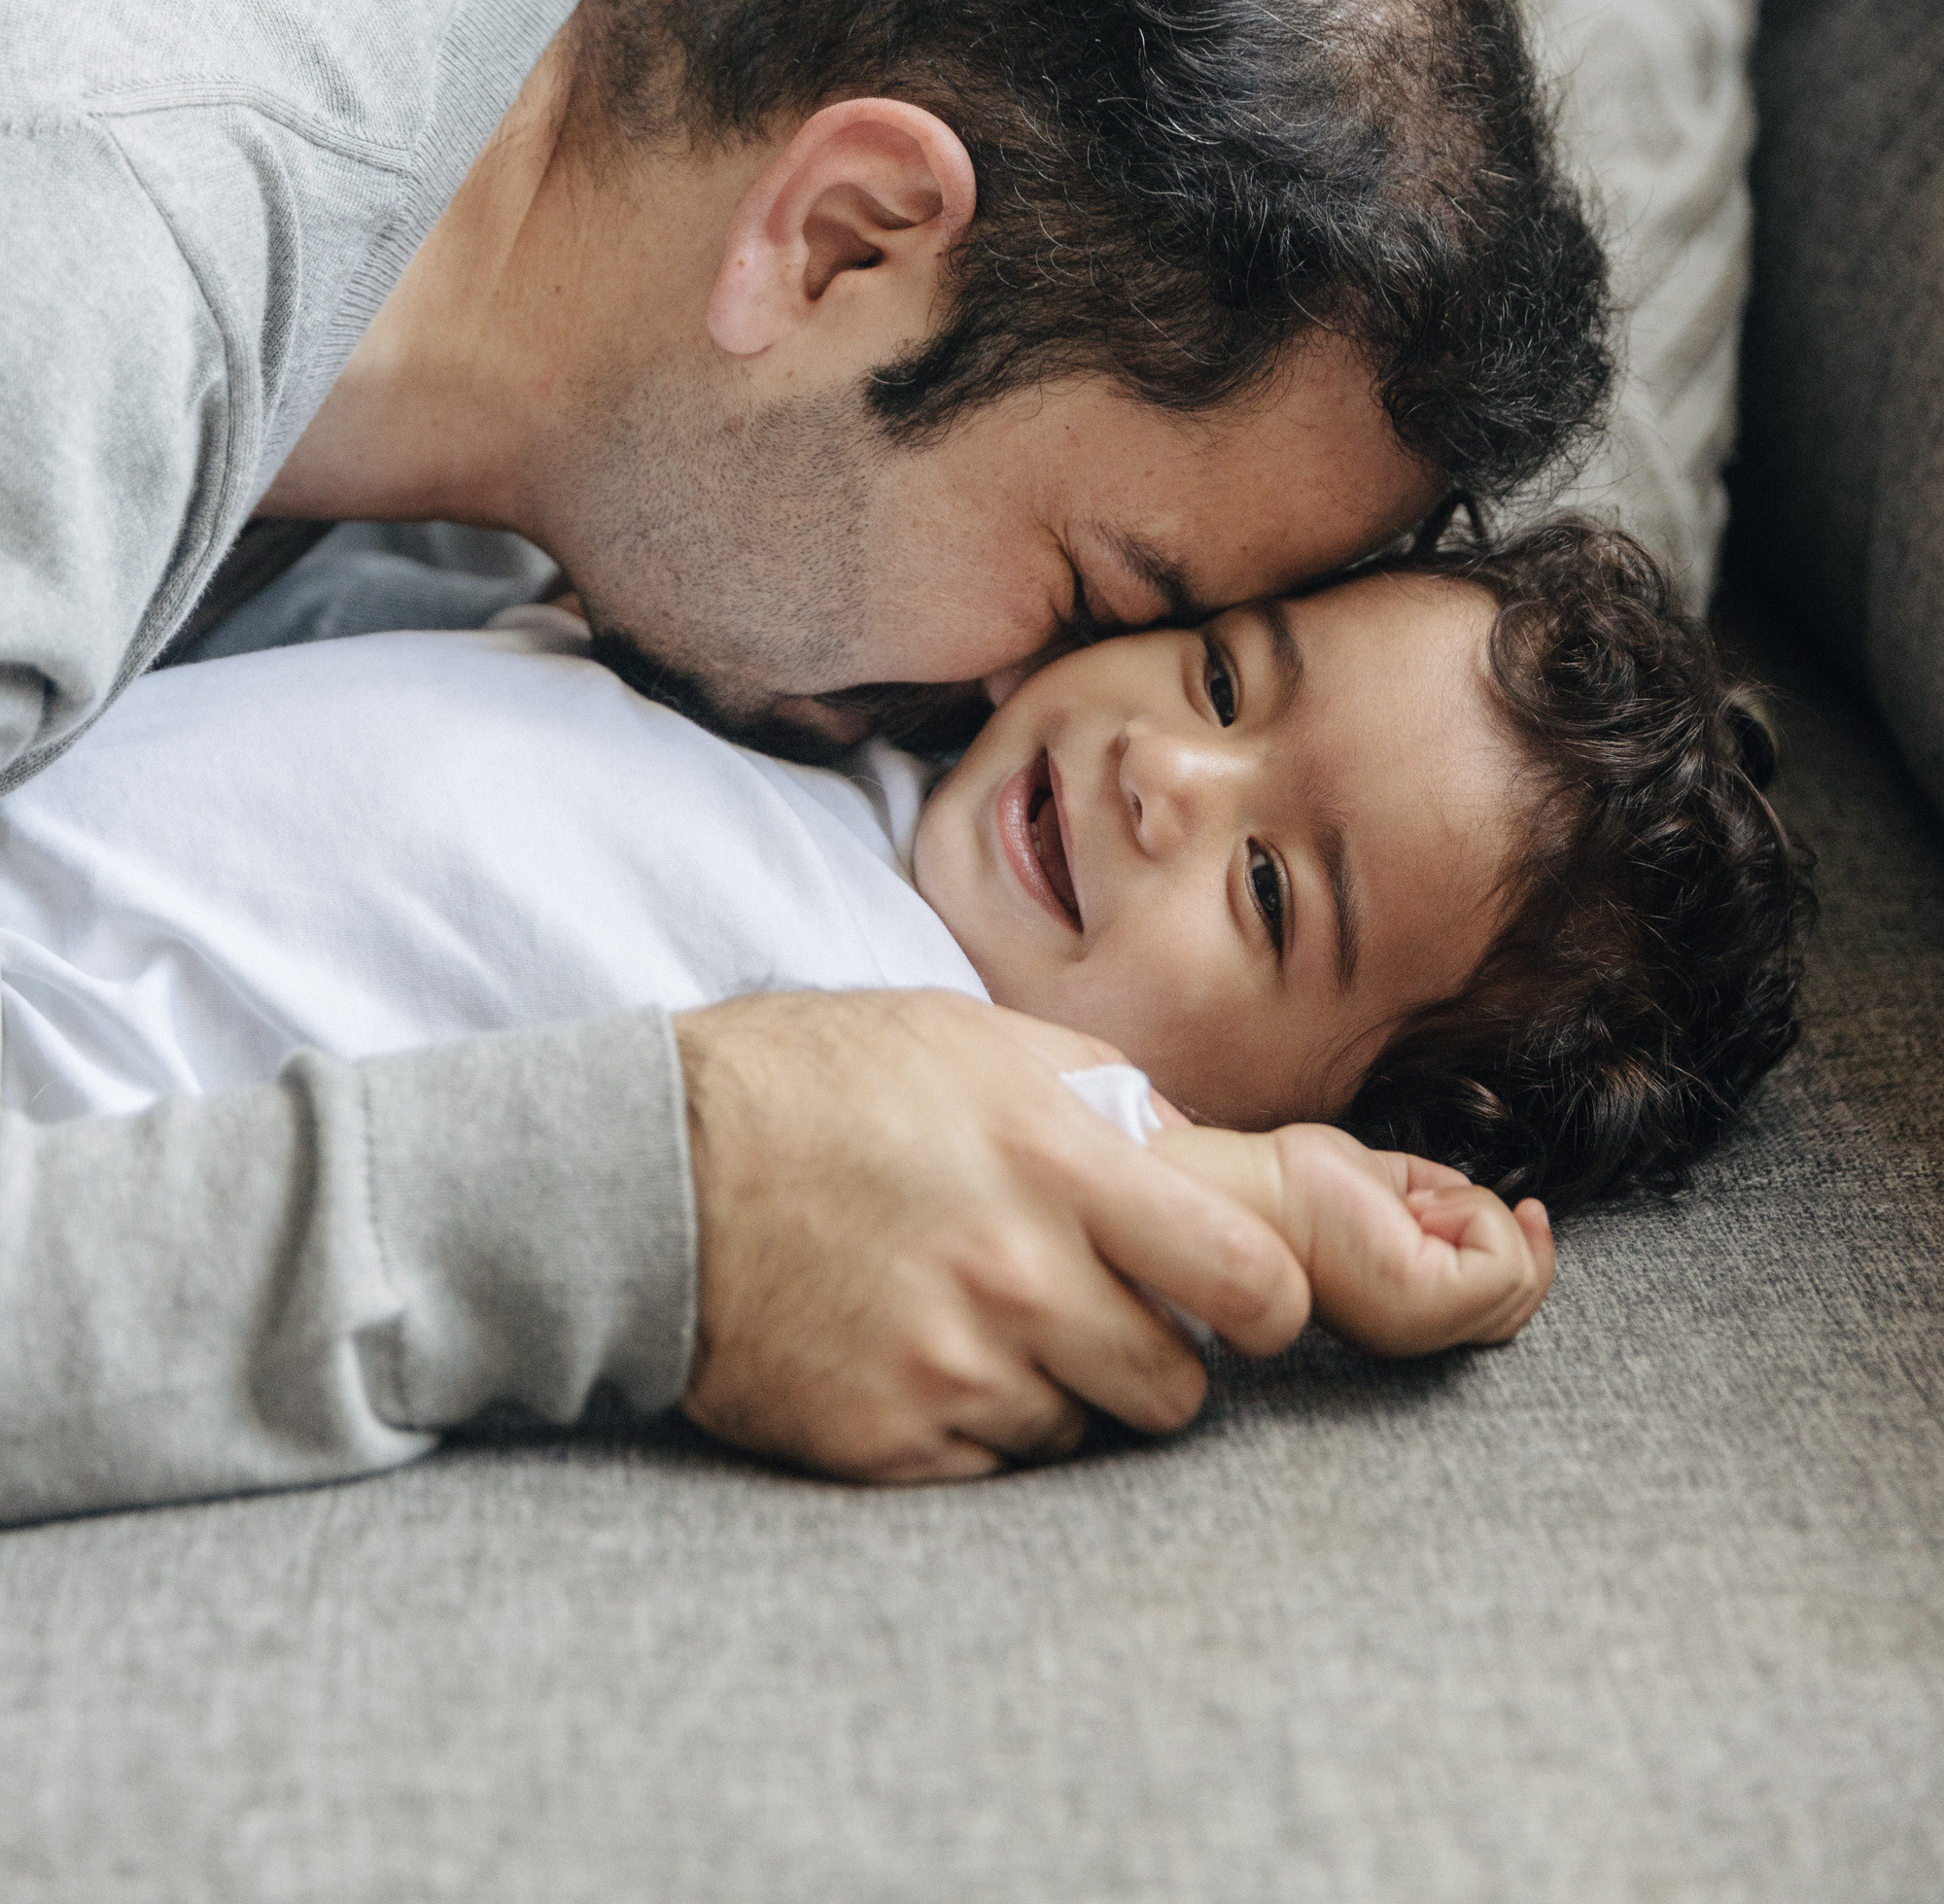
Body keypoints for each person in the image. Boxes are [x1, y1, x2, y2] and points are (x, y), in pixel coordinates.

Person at [0, 0, 1611, 1519]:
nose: (1055, 711)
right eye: (1105, 602)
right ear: (845, 242)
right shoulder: (76, 272)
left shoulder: (455, 11)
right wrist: (665, 1205)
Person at [2, 514, 1802, 1405]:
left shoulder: (994, 1085)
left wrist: (1316, 1215)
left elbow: (1162, 1212)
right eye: (1225, 676)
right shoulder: (853, 707)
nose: (1164, 776)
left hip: (81, 1112)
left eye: (1269, 891)